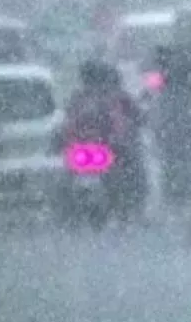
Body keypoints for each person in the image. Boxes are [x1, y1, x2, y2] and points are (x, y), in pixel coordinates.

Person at [63, 58, 146, 215]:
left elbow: (67, 124)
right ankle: (130, 207)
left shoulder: (79, 98)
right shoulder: (117, 97)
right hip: (107, 150)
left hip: (96, 151)